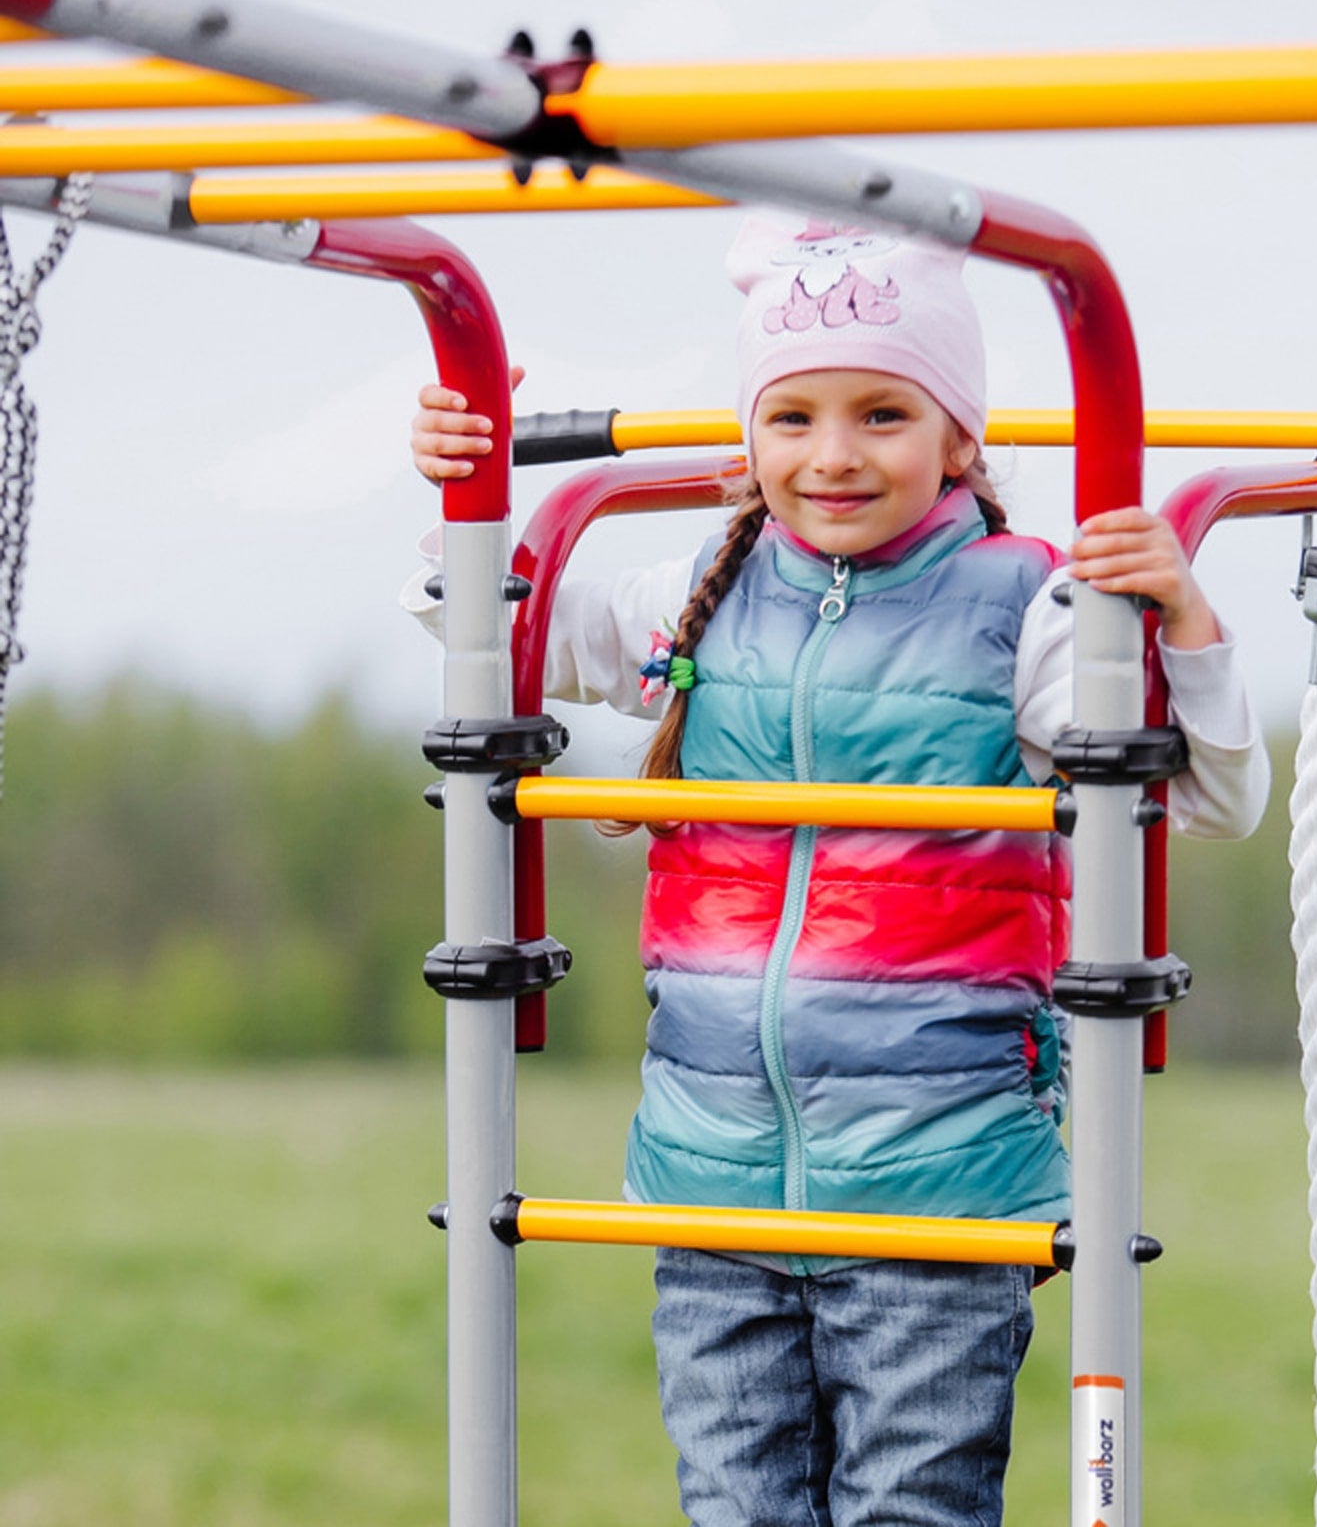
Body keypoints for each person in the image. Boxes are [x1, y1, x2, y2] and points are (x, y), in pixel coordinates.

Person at [409, 214, 1270, 1527]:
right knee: (736, 1511)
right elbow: (519, 627)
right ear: (751, 436)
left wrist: (1188, 625)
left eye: (881, 414)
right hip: (712, 1188)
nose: (832, 455)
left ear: (958, 438)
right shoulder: (701, 608)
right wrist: (465, 503)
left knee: (911, 1510)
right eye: (794, 416)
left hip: (934, 1196)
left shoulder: (1022, 613)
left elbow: (1210, 792)